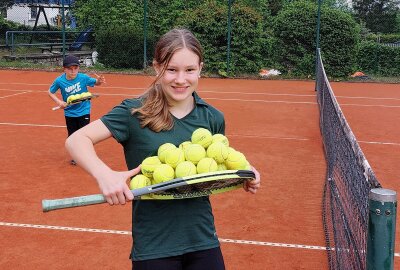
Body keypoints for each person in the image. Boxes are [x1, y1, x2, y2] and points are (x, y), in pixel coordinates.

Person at [65, 28, 261, 270]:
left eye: (189, 70)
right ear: (157, 68)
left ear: (200, 68)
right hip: (153, 247)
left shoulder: (212, 118)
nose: (181, 79)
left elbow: (214, 165)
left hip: (203, 240)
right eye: (171, 69)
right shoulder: (134, 112)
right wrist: (104, 174)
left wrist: (242, 171)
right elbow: (76, 140)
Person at [48, 54, 105, 165]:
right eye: (70, 69)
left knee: (84, 134)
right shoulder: (59, 81)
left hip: (84, 110)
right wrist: (59, 102)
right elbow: (50, 92)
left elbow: (96, 83)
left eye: (76, 68)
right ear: (64, 69)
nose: (73, 71)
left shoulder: (83, 78)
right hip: (69, 112)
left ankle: (87, 155)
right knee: (72, 136)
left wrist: (99, 81)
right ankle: (76, 156)